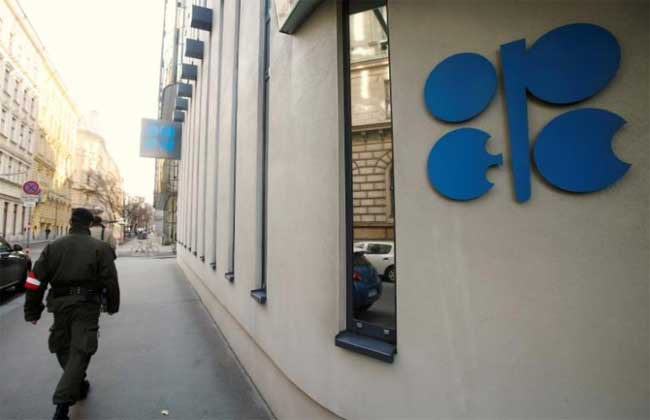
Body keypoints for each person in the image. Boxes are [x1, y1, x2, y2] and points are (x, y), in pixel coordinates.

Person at [24, 208, 120, 420]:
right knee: (79, 350)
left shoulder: (53, 247)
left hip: (59, 305)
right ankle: (62, 404)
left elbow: (34, 280)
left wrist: (32, 310)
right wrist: (112, 305)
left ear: (70, 222)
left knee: (63, 347)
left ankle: (76, 383)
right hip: (86, 306)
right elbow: (110, 280)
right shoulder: (100, 248)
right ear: (89, 224)